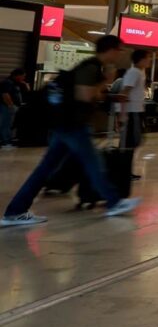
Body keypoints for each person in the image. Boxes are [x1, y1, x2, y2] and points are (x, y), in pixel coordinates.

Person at [2, 35, 140, 226]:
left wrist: (109, 94)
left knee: (45, 169)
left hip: (66, 126)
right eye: (119, 49)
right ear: (111, 49)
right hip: (73, 126)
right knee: (93, 164)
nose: (121, 53)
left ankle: (15, 210)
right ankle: (114, 202)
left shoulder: (91, 67)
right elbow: (85, 96)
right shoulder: (91, 67)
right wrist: (105, 80)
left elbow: (93, 95)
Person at [118, 49, 150, 180]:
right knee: (129, 143)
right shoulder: (134, 72)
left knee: (133, 142)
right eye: (148, 58)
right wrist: (122, 114)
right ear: (141, 59)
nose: (149, 61)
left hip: (136, 111)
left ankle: (125, 171)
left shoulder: (139, 73)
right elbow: (124, 93)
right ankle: (123, 171)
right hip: (132, 112)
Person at [1, 68, 27, 150]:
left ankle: (7, 140)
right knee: (6, 124)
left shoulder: (14, 83)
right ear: (17, 75)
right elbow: (5, 95)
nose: (23, 78)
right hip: (6, 107)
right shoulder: (7, 82)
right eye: (22, 76)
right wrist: (11, 106)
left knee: (9, 124)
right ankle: (5, 142)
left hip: (11, 107)